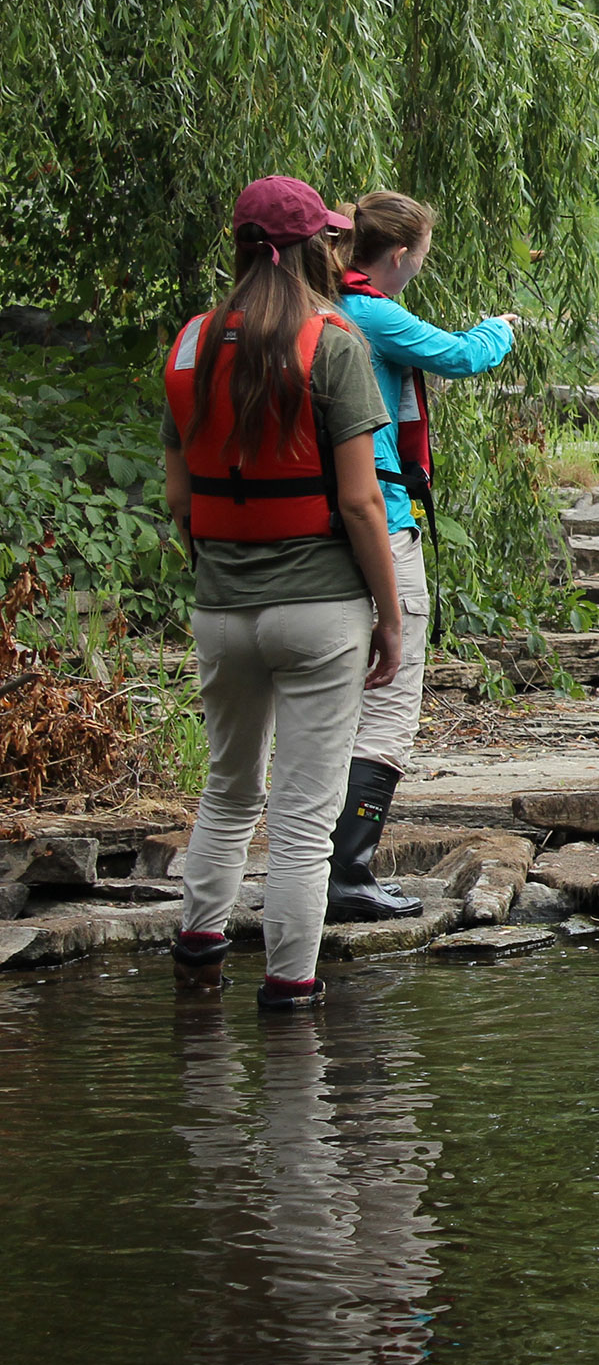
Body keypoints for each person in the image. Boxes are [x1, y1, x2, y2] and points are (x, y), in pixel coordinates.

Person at [164, 177, 403, 1010]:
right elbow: (361, 501)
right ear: (315, 248)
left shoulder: (193, 343)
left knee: (228, 792)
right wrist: (391, 618)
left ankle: (198, 957)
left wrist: (224, 574)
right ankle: (290, 997)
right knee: (304, 820)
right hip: (320, 611)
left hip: (221, 608)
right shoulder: (332, 341)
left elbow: (180, 501)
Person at [323, 191, 516, 922]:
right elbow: (459, 355)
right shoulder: (369, 312)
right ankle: (350, 876)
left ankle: (318, 868)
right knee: (389, 704)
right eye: (421, 257)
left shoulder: (314, 307)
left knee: (330, 703)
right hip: (379, 517)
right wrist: (501, 331)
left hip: (307, 532)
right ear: (399, 255)